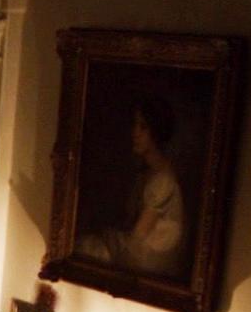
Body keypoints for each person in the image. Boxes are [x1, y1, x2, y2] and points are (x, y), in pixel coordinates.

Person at [77, 96, 185, 276]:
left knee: (88, 247)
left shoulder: (163, 180)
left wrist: (106, 238)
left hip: (148, 261)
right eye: (135, 125)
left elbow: (137, 238)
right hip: (135, 254)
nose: (135, 133)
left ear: (156, 132)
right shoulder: (145, 174)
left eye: (143, 127)